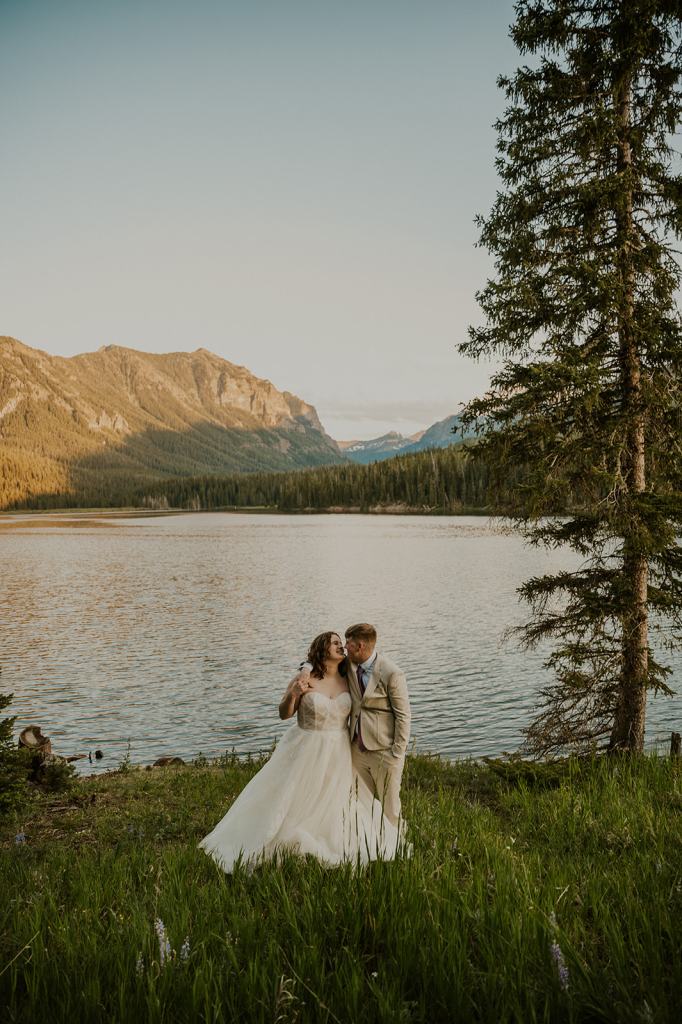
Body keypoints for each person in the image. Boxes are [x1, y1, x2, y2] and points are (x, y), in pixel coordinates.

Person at [198, 631, 406, 872]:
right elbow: (284, 713)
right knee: (293, 796)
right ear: (322, 649)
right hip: (306, 746)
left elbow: (369, 668)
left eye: (342, 643)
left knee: (337, 799)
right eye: (335, 643)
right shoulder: (304, 678)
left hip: (338, 750)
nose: (341, 646)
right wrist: (294, 693)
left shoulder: (348, 674)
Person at [298, 623, 410, 827]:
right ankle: (364, 842)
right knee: (358, 802)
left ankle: (396, 848)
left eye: (347, 643)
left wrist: (397, 752)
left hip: (384, 752)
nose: (343, 648)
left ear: (359, 646)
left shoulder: (392, 673)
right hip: (355, 750)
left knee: (390, 807)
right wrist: (305, 669)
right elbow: (318, 658)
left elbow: (403, 717)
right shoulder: (348, 664)